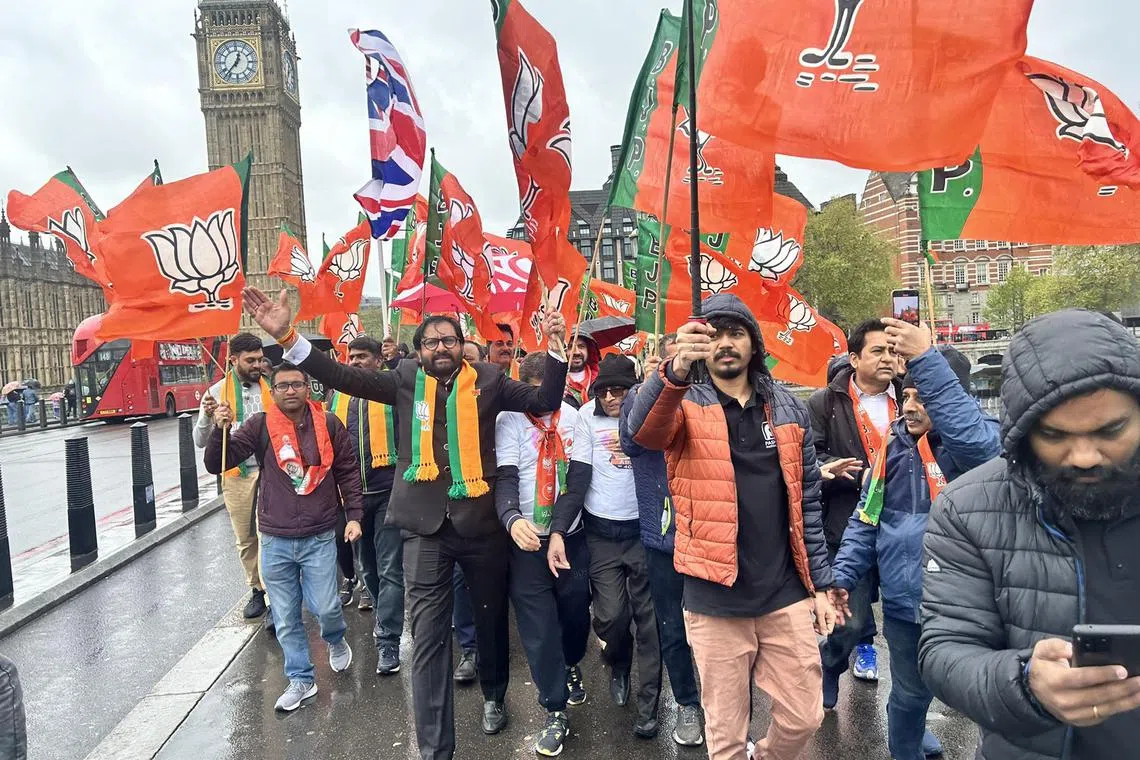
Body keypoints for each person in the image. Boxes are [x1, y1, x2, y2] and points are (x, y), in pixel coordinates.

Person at [243, 285, 569, 760]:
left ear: (461, 345)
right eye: (432, 341)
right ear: (418, 351)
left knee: (490, 620)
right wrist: (288, 336)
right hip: (423, 528)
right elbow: (338, 373)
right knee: (431, 639)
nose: (441, 347)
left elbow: (544, 400)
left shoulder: (491, 379)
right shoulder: (401, 381)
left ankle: (496, 694)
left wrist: (556, 349)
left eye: (449, 340)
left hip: (481, 527)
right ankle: (437, 750)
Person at [919, 309, 1140, 760]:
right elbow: (945, 650)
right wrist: (1024, 683)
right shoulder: (967, 508)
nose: (1083, 456)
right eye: (1054, 435)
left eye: (1111, 430)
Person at [626, 293, 836, 760]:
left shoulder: (786, 408)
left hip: (783, 593)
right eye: (715, 333)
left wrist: (821, 585)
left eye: (735, 332)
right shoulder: (684, 402)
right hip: (714, 596)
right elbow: (643, 433)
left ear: (753, 344)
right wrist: (676, 367)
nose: (725, 343)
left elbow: (808, 505)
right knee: (724, 735)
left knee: (806, 715)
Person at [828, 320, 1000, 760]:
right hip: (906, 605)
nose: (910, 405)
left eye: (922, 396)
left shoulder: (979, 448)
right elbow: (866, 522)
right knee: (907, 695)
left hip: (968, 606)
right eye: (906, 394)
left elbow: (979, 447)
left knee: (987, 701)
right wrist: (842, 577)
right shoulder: (893, 448)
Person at [204, 362, 363, 712]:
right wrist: (220, 429)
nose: (290, 391)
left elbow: (348, 472)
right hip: (275, 538)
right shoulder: (259, 426)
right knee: (287, 617)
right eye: (282, 386)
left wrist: (353, 516)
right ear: (272, 392)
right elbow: (218, 463)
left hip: (320, 534)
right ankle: (301, 680)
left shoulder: (329, 424)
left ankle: (335, 639)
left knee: (327, 607)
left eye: (297, 384)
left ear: (308, 388)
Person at [549, 354, 661, 739]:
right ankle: (618, 661)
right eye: (605, 390)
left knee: (650, 623)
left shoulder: (647, 413)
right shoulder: (585, 416)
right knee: (612, 618)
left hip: (645, 533)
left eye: (620, 390)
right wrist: (560, 529)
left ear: (632, 390)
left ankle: (648, 707)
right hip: (601, 534)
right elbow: (577, 475)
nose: (612, 397)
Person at [495, 351, 589, 756]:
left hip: (571, 536)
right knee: (538, 627)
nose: (539, 405)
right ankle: (553, 708)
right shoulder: (508, 420)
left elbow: (580, 479)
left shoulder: (575, 417)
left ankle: (571, 663)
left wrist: (560, 531)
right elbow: (506, 477)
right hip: (527, 541)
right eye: (530, 395)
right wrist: (513, 518)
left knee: (573, 611)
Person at [619, 340, 705, 747]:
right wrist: (658, 385)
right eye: (678, 353)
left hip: (715, 536)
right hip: (664, 537)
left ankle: (725, 707)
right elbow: (632, 441)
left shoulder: (720, 394)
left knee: (721, 631)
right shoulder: (640, 396)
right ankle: (688, 703)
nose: (685, 360)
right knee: (671, 627)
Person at [808, 319, 900, 703]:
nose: (887, 359)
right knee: (852, 619)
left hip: (903, 527)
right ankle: (830, 665)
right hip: (851, 525)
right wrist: (850, 474)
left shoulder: (913, 396)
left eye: (893, 351)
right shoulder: (825, 402)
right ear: (854, 358)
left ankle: (908, 710)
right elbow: (809, 456)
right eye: (877, 351)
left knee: (910, 623)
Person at [327, 336, 404, 674]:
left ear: (378, 360)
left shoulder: (394, 391)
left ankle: (388, 640)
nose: (355, 361)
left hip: (389, 492)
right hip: (352, 498)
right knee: (367, 569)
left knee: (390, 568)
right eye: (351, 356)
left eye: (362, 356)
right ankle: (382, 616)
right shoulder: (337, 395)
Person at [194, 332, 272, 622]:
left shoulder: (271, 388)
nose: (256, 365)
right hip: (236, 474)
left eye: (259, 360)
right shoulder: (215, 392)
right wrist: (208, 418)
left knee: (269, 536)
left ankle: (274, 593)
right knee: (246, 537)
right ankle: (256, 590)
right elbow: (200, 441)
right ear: (233, 360)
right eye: (250, 360)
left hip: (269, 471)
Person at [564, 331, 600, 409]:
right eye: (570, 347)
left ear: (589, 350)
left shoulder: (601, 378)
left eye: (581, 346)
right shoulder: (553, 382)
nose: (576, 352)